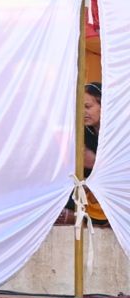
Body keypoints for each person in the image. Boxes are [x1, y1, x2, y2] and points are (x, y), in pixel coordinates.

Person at [58, 82, 107, 226]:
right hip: (84, 190)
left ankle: (84, 218)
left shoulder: (119, 133)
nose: (83, 112)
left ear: (104, 105)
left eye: (88, 107)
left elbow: (122, 172)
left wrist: (95, 162)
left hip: (108, 193)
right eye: (80, 107)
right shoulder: (81, 132)